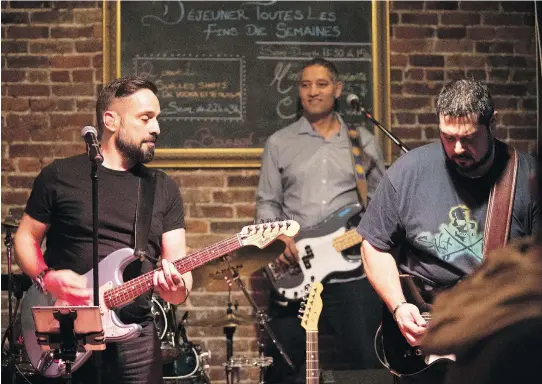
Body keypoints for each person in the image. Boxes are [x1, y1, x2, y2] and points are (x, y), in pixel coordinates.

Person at [357, 79, 538, 383]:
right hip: (422, 344)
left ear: (492, 124)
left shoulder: (527, 178)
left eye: (468, 138)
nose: (457, 148)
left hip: (499, 342)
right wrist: (399, 306)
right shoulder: (408, 173)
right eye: (447, 136)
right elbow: (374, 245)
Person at [14, 76, 193, 384]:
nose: (157, 129)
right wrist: (45, 277)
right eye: (146, 118)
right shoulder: (60, 176)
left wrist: (176, 288)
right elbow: (26, 237)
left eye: (157, 119)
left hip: (134, 336)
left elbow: (178, 271)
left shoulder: (161, 187)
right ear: (110, 120)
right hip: (65, 328)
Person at [256, 57, 386, 383]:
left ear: (337, 90)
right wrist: (277, 237)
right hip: (296, 268)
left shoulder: (364, 143)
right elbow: (268, 203)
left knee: (368, 364)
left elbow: (382, 207)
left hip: (353, 272)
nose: (313, 92)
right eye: (305, 85)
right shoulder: (279, 143)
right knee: (282, 367)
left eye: (321, 84)